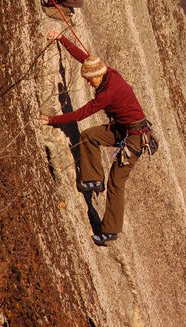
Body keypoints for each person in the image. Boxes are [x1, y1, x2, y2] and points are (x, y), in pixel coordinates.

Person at [42, 31, 150, 247]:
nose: (89, 84)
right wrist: (60, 39)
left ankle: (109, 231)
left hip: (134, 139)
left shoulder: (107, 92)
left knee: (116, 183)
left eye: (90, 80)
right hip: (122, 130)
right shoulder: (106, 71)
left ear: (98, 77)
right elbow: (84, 58)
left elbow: (81, 114)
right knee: (88, 136)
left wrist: (52, 120)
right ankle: (93, 179)